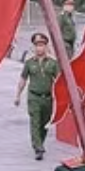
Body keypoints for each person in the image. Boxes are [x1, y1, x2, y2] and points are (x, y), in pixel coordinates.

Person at [15, 31, 60, 160]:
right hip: (34, 97)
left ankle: (40, 142)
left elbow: (59, 80)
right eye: (37, 45)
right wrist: (18, 95)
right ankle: (38, 148)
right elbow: (23, 79)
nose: (39, 48)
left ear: (46, 46)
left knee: (44, 123)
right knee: (35, 121)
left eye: (41, 45)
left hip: (48, 98)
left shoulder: (52, 63)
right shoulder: (29, 63)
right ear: (33, 47)